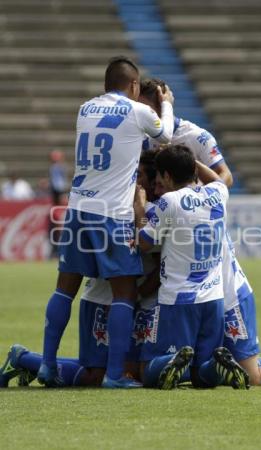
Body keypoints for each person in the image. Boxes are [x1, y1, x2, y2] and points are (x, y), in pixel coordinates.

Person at [37, 56, 174, 388]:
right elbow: (165, 135)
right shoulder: (137, 111)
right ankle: (114, 375)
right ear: (132, 86)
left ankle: (46, 365)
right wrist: (166, 104)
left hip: (78, 208)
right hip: (112, 213)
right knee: (124, 293)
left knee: (64, 290)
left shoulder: (85, 109)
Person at [134, 145, 249, 390]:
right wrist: (190, 161)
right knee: (201, 375)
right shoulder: (218, 193)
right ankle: (217, 366)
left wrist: (140, 208)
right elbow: (218, 179)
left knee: (148, 372)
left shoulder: (170, 202)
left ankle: (171, 360)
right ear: (191, 169)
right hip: (213, 299)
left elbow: (144, 243)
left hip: (179, 300)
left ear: (166, 176)